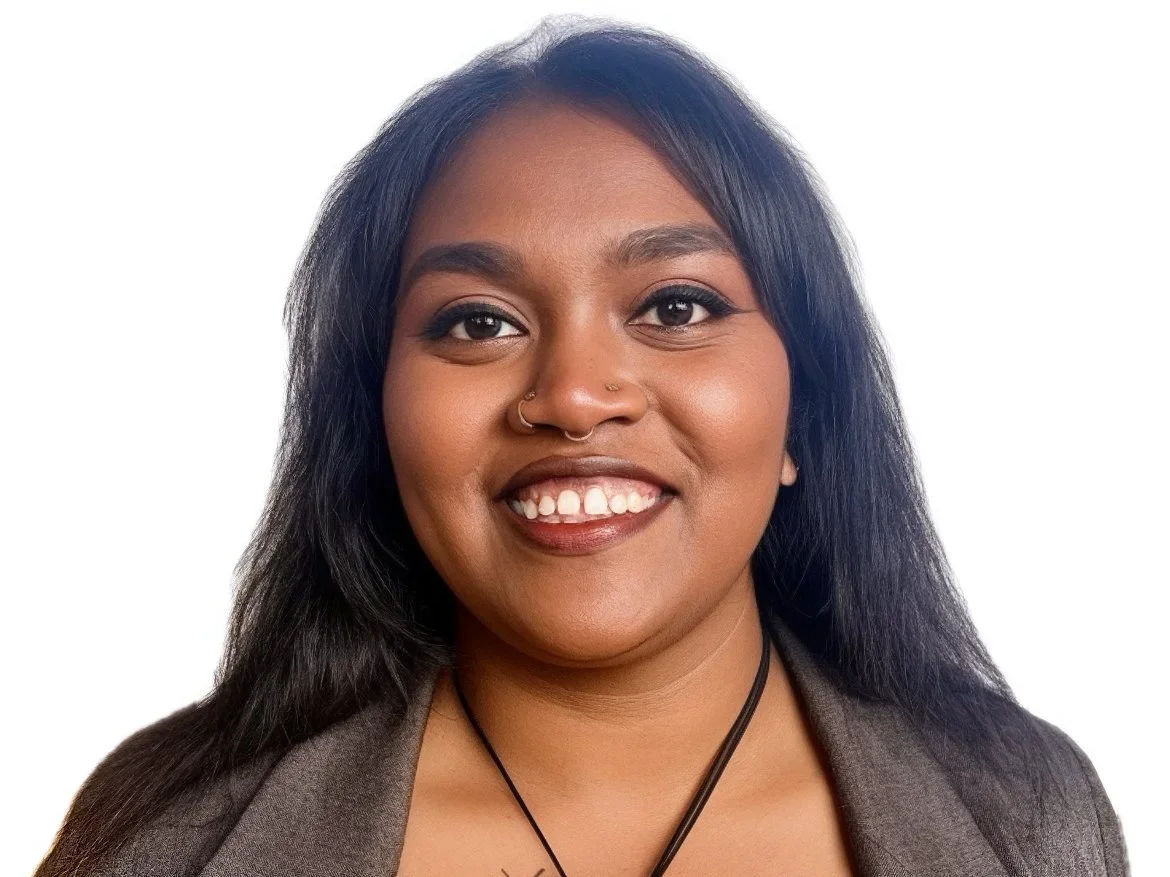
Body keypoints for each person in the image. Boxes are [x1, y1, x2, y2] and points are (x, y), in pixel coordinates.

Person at [37, 18, 1127, 877]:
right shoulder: (173, 838)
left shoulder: (1022, 815)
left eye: (676, 306)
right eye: (478, 322)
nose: (571, 395)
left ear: (806, 409)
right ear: (374, 417)